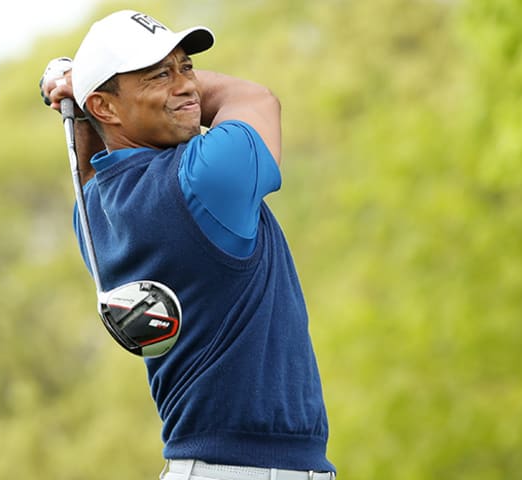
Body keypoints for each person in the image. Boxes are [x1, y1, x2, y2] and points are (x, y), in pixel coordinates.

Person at [40, 10, 336, 480]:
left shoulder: (92, 210)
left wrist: (81, 100)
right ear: (106, 108)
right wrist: (77, 87)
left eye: (187, 66)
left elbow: (91, 161)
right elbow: (254, 97)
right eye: (159, 74)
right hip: (251, 469)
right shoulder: (203, 180)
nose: (186, 86)